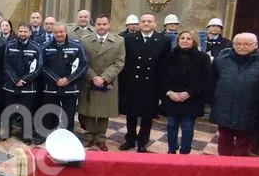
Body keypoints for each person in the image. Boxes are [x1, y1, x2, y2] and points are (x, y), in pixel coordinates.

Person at [208, 32, 259, 156]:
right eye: (238, 43)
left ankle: (238, 172)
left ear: (256, 45)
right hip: (224, 109)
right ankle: (223, 168)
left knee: (243, 145)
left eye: (247, 44)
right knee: (224, 141)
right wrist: (214, 101)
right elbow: (212, 82)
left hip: (249, 112)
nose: (242, 47)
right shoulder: (221, 60)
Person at [118, 14, 170, 152]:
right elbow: (125, 63)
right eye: (143, 21)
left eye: (149, 21)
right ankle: (130, 140)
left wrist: (162, 89)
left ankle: (142, 142)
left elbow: (164, 66)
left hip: (151, 85)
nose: (146, 23)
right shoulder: (128, 39)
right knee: (131, 115)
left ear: (155, 23)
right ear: (139, 23)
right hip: (131, 83)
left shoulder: (163, 40)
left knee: (147, 117)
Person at [158, 31, 211, 154]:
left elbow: (205, 79)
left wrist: (188, 93)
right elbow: (161, 77)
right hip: (172, 98)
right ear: (178, 40)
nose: (185, 40)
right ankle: (171, 150)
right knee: (171, 126)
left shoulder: (202, 58)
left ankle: (185, 153)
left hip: (192, 99)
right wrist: (169, 93)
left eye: (189, 38)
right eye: (182, 38)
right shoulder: (168, 56)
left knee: (187, 128)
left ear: (194, 41)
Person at [78, 15, 125, 150]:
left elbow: (119, 62)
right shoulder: (85, 41)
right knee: (89, 111)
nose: (101, 27)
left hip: (108, 81)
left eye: (104, 24)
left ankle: (101, 138)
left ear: (109, 25)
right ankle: (89, 136)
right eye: (99, 24)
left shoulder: (118, 41)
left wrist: (104, 78)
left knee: (104, 112)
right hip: (89, 81)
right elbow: (82, 62)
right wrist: (93, 77)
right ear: (95, 25)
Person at [39, 22, 88, 135]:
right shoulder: (45, 47)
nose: (59, 34)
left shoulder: (77, 47)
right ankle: (48, 135)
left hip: (70, 87)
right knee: (50, 113)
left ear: (66, 32)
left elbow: (83, 66)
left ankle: (67, 137)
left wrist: (68, 79)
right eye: (56, 32)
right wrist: (56, 79)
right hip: (51, 86)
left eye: (61, 32)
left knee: (68, 115)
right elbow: (42, 66)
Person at [1, 22, 40, 143]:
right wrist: (15, 80)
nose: (22, 33)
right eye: (21, 31)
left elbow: (39, 67)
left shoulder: (36, 47)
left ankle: (26, 134)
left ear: (30, 33)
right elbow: (6, 64)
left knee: (26, 110)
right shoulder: (10, 45)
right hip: (11, 85)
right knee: (9, 109)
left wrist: (24, 80)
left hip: (28, 86)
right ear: (18, 32)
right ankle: (7, 131)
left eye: (25, 31)